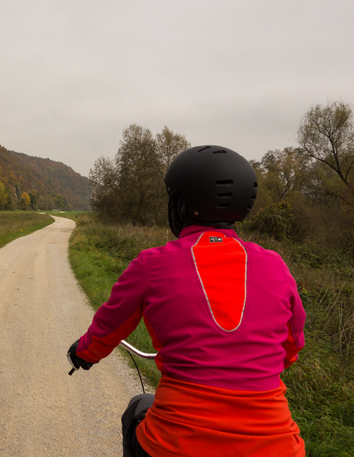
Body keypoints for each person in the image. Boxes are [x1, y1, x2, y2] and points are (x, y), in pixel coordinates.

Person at [68, 145, 306, 457]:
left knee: (138, 409)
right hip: (276, 446)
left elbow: (109, 326)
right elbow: (291, 346)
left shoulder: (151, 264)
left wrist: (83, 353)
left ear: (179, 204)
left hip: (176, 444)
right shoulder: (275, 265)